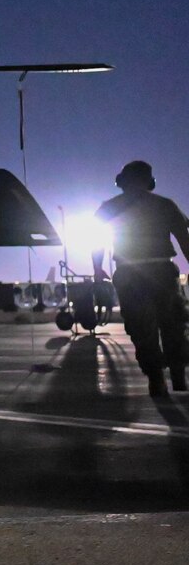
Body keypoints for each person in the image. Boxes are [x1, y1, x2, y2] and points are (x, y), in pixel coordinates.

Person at [94, 161, 189, 398]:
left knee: (141, 328)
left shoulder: (110, 207)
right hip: (161, 271)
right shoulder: (165, 205)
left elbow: (97, 242)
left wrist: (98, 268)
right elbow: (184, 239)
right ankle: (176, 374)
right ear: (150, 182)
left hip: (129, 273)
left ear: (122, 182)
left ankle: (156, 377)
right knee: (173, 325)